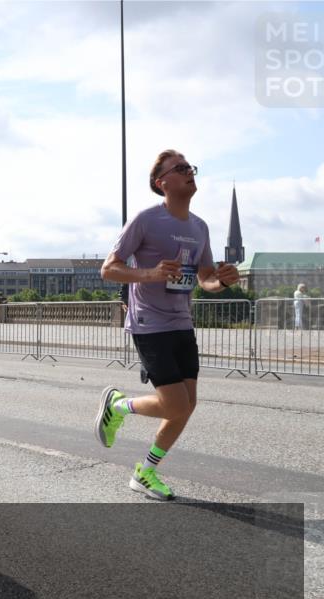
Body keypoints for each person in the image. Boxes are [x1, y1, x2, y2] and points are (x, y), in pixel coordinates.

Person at [96, 149, 239, 500]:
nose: (189, 171)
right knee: (175, 405)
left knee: (186, 406)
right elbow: (108, 268)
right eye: (180, 168)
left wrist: (221, 281)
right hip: (149, 322)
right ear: (162, 183)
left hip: (181, 322)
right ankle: (116, 406)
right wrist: (149, 273)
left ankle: (145, 471)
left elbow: (204, 278)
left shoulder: (199, 226)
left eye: (190, 166)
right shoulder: (146, 220)